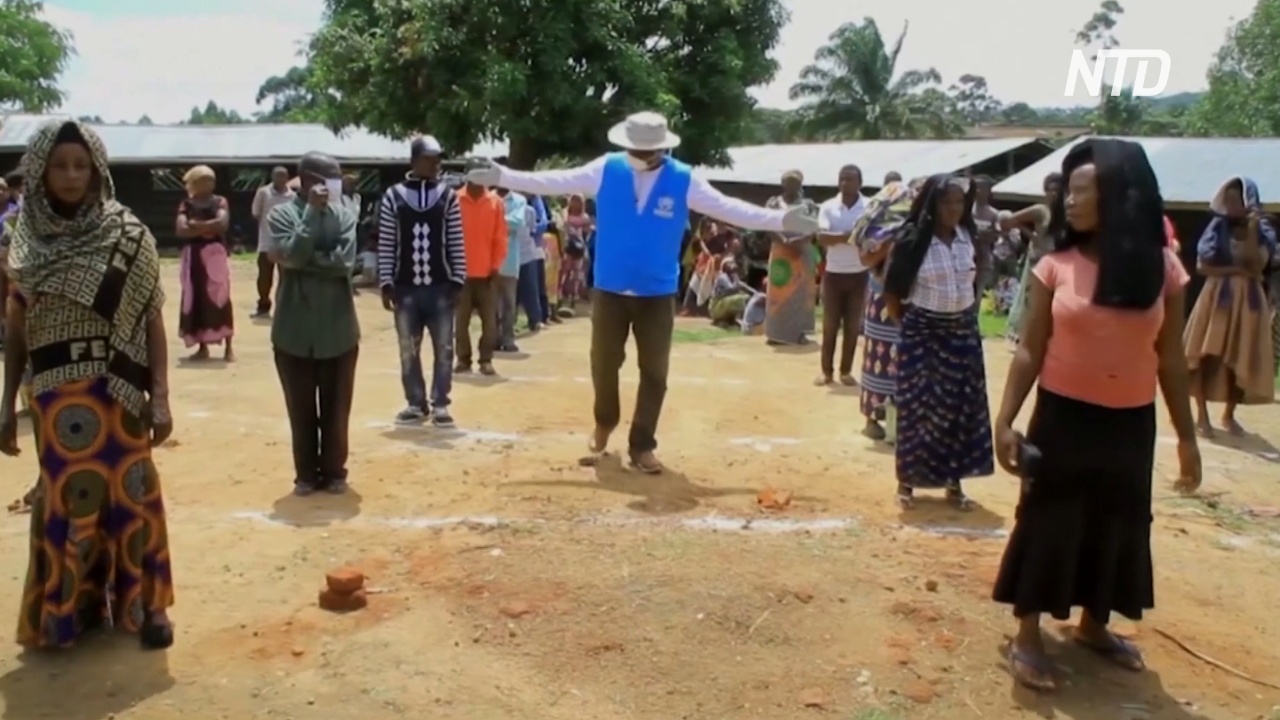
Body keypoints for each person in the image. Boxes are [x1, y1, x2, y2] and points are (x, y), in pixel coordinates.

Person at [467, 111, 818, 472]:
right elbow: (553, 180)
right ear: (629, 145)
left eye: (654, 150)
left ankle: (642, 444)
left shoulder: (683, 179)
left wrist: (780, 220)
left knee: (654, 372)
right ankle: (604, 422)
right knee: (604, 363)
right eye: (642, 149)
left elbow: (730, 208)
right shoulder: (606, 169)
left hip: (657, 293)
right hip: (610, 289)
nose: (648, 155)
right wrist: (501, 176)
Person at [990, 138, 1201, 692]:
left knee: (1119, 518)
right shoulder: (1055, 266)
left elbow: (1171, 360)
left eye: (1084, 191)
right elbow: (1030, 349)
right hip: (1062, 417)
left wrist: (1187, 439)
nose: (1072, 202)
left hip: (1130, 422)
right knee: (1048, 517)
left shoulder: (1166, 269)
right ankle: (1028, 633)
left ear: (1119, 196)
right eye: (1071, 191)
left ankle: (1093, 625)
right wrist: (1005, 420)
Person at [0, 119, 175, 649]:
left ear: (97, 170)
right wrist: (7, 402)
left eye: (81, 165)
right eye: (58, 165)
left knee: (134, 493)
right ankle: (71, 610)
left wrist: (161, 396)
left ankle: (149, 607)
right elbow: (15, 329)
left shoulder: (129, 234)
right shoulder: (22, 243)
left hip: (118, 390)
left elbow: (151, 319)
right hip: (54, 397)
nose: (71, 176)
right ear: (39, 172)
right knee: (67, 498)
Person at [883, 175, 993, 509]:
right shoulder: (913, 240)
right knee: (919, 407)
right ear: (933, 205)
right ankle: (908, 481)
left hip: (961, 333)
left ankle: (953, 482)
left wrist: (969, 312)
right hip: (922, 332)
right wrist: (908, 325)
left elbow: (977, 276)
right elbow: (892, 291)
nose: (953, 209)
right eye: (946, 202)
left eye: (959, 203)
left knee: (959, 408)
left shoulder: (967, 237)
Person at [266, 153, 360, 496]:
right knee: (301, 408)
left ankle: (335, 470)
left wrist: (305, 262)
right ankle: (305, 474)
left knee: (337, 409)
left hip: (339, 330)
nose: (335, 186)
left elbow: (344, 262)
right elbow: (290, 254)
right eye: (328, 179)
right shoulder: (281, 214)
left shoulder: (346, 215)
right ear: (306, 181)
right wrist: (310, 217)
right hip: (293, 331)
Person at [377, 136, 467, 427]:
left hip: (441, 287)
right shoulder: (394, 195)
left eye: (438, 158)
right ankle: (416, 402)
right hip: (405, 288)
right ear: (415, 161)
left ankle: (440, 403)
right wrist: (386, 281)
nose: (436, 163)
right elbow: (387, 241)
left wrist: (458, 280)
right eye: (431, 158)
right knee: (408, 348)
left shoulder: (448, 196)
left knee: (444, 348)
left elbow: (456, 240)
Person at [1183, 177, 1277, 436]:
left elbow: (1256, 265)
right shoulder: (1216, 228)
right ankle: (1202, 416)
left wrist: (1253, 228)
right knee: (1206, 354)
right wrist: (1235, 269)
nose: (1231, 204)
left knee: (1240, 354)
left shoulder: (1263, 233)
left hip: (1248, 301)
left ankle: (1229, 415)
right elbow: (1203, 266)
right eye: (1229, 199)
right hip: (1217, 298)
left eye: (1237, 199)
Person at [851, 181, 914, 441]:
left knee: (899, 361)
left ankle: (895, 419)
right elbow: (868, 260)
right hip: (883, 298)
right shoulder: (886, 232)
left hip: (901, 298)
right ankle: (872, 418)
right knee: (879, 359)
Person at [815, 164, 868, 386]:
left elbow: (869, 237)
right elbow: (822, 238)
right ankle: (826, 371)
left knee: (852, 326)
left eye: (850, 179)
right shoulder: (828, 207)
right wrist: (852, 235)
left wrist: (840, 237)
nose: (845, 183)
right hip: (834, 273)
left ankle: (845, 371)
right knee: (830, 325)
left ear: (860, 183)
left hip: (859, 274)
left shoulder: (869, 207)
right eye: (842, 179)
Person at [176, 165, 235, 361]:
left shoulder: (220, 202)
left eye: (211, 180)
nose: (210, 183)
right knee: (196, 297)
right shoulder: (186, 204)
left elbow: (222, 225)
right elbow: (181, 230)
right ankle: (202, 346)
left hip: (214, 254)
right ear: (195, 183)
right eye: (205, 180)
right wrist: (208, 228)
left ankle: (228, 346)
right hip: (193, 257)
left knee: (220, 296)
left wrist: (197, 226)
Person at [1002, 173, 1063, 344]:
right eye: (1050, 190)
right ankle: (1024, 338)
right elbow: (1007, 221)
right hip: (1039, 261)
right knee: (1031, 301)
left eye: (1057, 190)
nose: (1054, 194)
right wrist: (1032, 236)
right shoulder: (1040, 210)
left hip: (1058, 263)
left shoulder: (1067, 213)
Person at [457, 180, 508, 374]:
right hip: (461, 274)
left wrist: (495, 266)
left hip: (488, 274)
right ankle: (463, 359)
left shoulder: (495, 202)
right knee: (461, 322)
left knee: (490, 322)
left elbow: (500, 236)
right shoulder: (455, 200)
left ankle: (486, 359)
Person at [765, 171, 819, 345]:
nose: (792, 186)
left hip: (801, 253)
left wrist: (798, 241)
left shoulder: (808, 205)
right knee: (779, 292)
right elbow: (766, 224)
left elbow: (815, 227)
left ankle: (798, 333)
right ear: (782, 184)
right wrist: (783, 240)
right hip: (780, 252)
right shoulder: (773, 203)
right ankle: (776, 333)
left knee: (800, 293)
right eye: (788, 182)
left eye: (795, 182)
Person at [250, 166, 295, 318]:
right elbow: (256, 213)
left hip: (285, 243)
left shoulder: (292, 196)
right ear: (272, 177)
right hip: (266, 241)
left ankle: (282, 308)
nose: (280, 180)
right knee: (264, 276)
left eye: (283, 177)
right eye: (277, 176)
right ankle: (263, 305)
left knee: (284, 277)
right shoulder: (263, 193)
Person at [496, 187, 528, 352]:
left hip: (509, 260)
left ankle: (508, 338)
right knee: (490, 305)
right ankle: (492, 339)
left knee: (509, 303)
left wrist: (493, 220)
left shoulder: (519, 200)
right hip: (491, 261)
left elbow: (517, 223)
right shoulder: (489, 197)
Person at [556, 194, 592, 317]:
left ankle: (570, 297)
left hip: (575, 245)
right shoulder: (567, 213)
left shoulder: (580, 215)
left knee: (573, 272)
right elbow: (564, 225)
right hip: (570, 245)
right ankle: (564, 296)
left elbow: (586, 231)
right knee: (567, 271)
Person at [515, 195, 544, 331]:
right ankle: (509, 324)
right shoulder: (500, 207)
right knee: (510, 294)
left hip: (527, 254)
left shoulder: (530, 211)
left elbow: (533, 229)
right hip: (509, 256)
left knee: (531, 290)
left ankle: (535, 320)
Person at [971, 176, 1001, 294]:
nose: (979, 191)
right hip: (966, 257)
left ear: (989, 191)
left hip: (983, 258)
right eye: (976, 188)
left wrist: (983, 236)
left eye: (982, 188)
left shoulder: (994, 214)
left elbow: (997, 236)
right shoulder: (966, 211)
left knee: (978, 291)